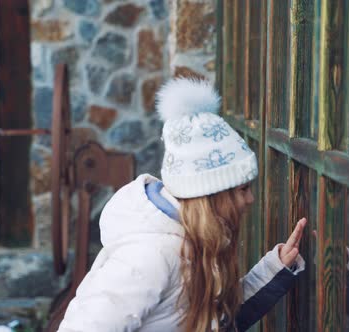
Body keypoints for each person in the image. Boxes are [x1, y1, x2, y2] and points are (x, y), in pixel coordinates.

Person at [57, 78, 308, 332]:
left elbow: (215, 322)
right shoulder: (150, 256)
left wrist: (274, 269)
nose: (251, 199)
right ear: (212, 195)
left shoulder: (194, 245)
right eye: (242, 189)